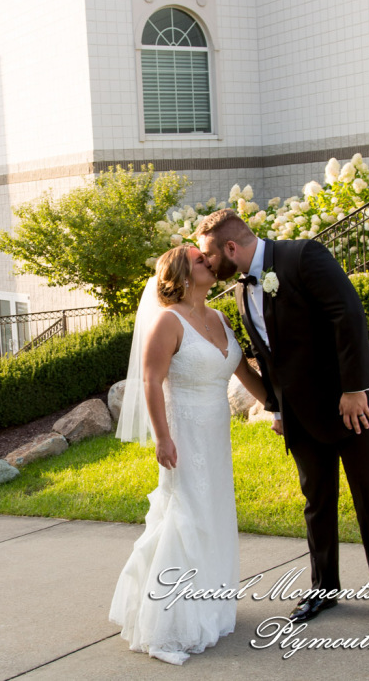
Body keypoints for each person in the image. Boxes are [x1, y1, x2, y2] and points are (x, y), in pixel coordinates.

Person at [194, 208, 369, 630]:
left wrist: (354, 389)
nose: (207, 263)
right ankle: (323, 590)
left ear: (231, 247)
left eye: (209, 254)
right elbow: (268, 355)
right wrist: (278, 407)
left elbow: (347, 317)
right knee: (317, 502)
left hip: (353, 404)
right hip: (301, 413)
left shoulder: (303, 255)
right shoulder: (241, 291)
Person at [110, 244, 268, 665]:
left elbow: (243, 372)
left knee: (214, 515)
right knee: (186, 517)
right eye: (201, 259)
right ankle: (172, 619)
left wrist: (279, 404)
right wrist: (163, 438)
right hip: (184, 435)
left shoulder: (217, 317)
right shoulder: (167, 321)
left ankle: (209, 607)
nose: (210, 262)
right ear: (181, 274)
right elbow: (150, 380)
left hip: (216, 436)